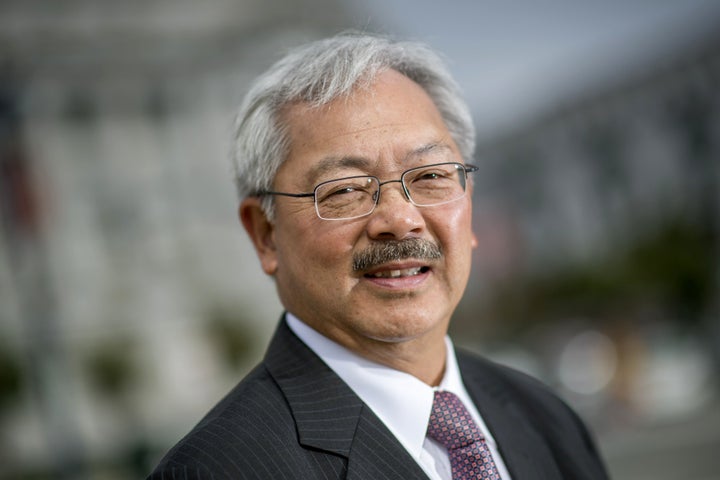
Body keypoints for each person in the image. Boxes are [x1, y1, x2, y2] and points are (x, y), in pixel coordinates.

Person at [148, 32, 608, 479]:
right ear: (266, 235)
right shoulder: (216, 470)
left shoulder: (547, 417)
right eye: (345, 189)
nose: (400, 219)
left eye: (430, 177)